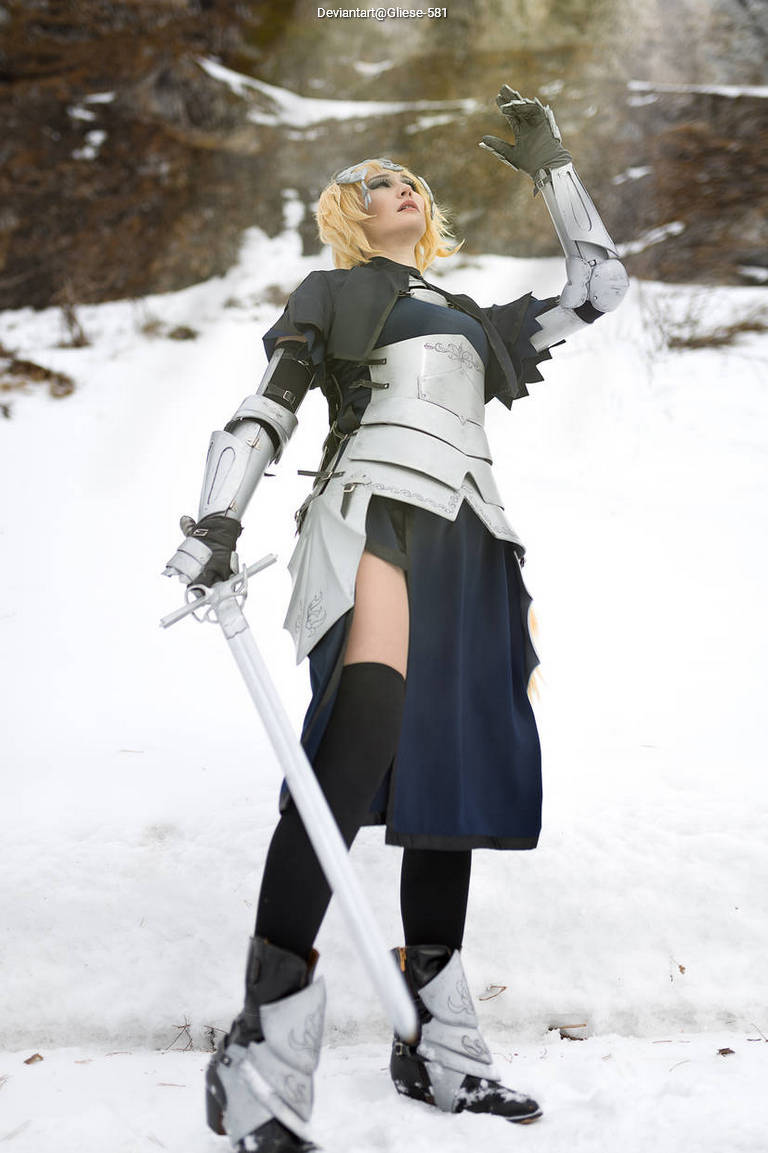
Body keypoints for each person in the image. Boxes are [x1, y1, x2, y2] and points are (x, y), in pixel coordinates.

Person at [164, 86, 629, 1153]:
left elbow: (600, 284)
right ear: (346, 213)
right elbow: (267, 404)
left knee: (452, 778)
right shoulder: (334, 291)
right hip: (374, 512)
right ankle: (262, 1050)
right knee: (360, 732)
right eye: (375, 184)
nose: (398, 190)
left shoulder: (471, 320)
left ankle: (440, 1046)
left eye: (409, 182)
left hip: (476, 535)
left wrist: (552, 167)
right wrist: (215, 522)